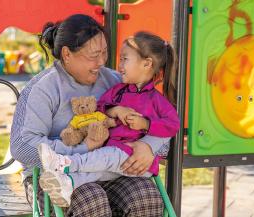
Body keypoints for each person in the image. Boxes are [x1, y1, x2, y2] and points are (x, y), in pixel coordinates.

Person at [10, 14, 171, 216]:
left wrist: (148, 146)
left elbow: (163, 129)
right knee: (91, 199)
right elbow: (22, 148)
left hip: (110, 171)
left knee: (146, 195)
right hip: (54, 179)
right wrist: (82, 150)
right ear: (67, 54)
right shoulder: (43, 88)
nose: (101, 62)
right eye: (93, 55)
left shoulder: (116, 83)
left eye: (104, 53)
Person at [39, 32, 180, 207]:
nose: (119, 65)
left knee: (104, 156)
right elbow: (100, 107)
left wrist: (146, 124)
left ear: (146, 63)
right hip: (116, 157)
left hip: (133, 158)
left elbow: (173, 125)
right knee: (97, 170)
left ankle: (65, 164)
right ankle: (68, 186)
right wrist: (115, 110)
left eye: (125, 59)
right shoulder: (119, 90)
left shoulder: (157, 100)